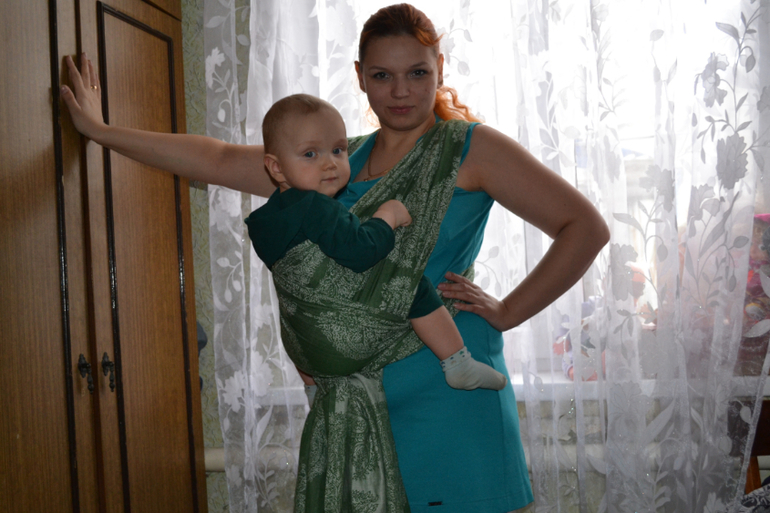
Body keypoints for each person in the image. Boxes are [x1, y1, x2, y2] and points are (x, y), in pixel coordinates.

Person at [61, 3, 610, 511]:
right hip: (351, 405)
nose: (401, 91)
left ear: (440, 68)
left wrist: (508, 311)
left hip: (449, 395)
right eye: (382, 75)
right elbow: (220, 157)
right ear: (360, 76)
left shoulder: (471, 149)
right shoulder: (331, 163)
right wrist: (101, 132)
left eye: (418, 72)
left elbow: (585, 228)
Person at [246, 93, 507, 392]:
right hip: (344, 338)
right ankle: (458, 363)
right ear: (276, 168)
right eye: (310, 154)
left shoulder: (263, 220)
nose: (330, 164)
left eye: (338, 150)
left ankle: (314, 391)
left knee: (297, 309)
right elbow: (362, 251)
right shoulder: (316, 207)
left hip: (305, 351)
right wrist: (387, 215)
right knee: (409, 283)